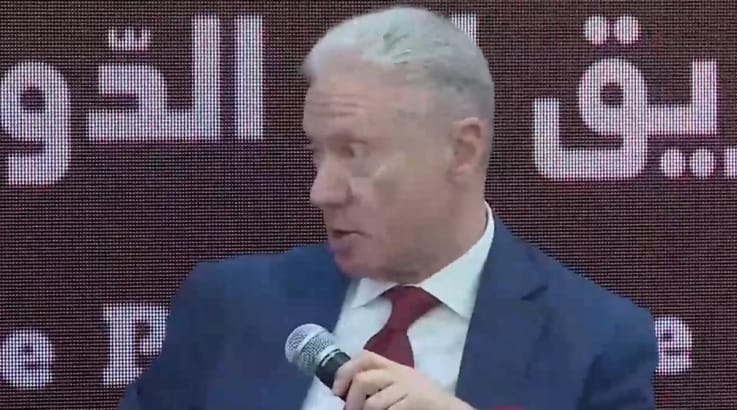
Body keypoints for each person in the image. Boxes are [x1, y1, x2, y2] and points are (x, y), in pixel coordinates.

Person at [119, 5, 658, 410]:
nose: (322, 191)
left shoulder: (595, 341)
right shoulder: (231, 307)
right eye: (317, 153)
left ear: (462, 150)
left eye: (355, 153)